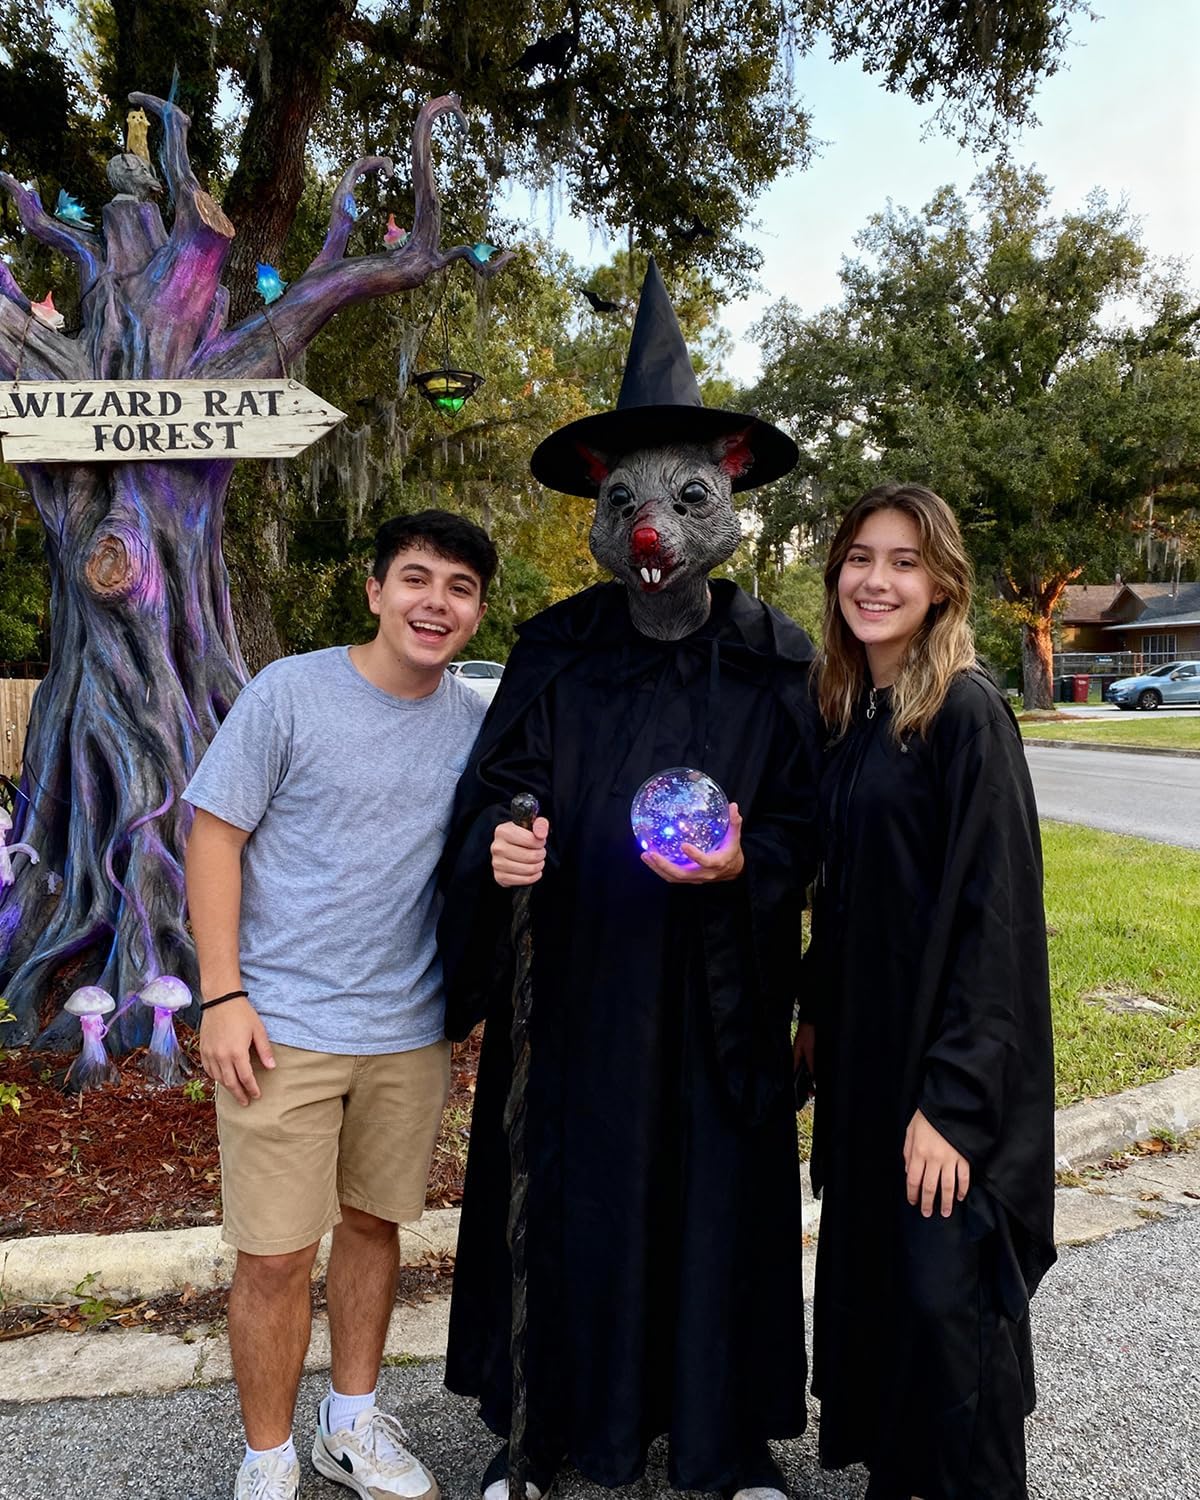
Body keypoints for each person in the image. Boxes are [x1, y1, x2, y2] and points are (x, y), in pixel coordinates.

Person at [438, 261, 820, 1500]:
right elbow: (498, 788)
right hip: (581, 991)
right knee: (573, 1194)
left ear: (730, 491)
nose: (653, 530)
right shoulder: (555, 648)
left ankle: (727, 1440)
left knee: (719, 1207)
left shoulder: (776, 660)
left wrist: (748, 862)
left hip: (719, 997)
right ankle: (543, 1432)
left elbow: (813, 827)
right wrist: (505, 838)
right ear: (600, 508)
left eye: (686, 499)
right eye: (629, 504)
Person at [183, 509, 497, 1500]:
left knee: (372, 1229)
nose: (435, 603)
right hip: (282, 1029)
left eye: (458, 588)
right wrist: (223, 994)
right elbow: (213, 835)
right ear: (375, 591)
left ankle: (350, 1426)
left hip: (408, 1029)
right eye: (416, 579)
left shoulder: (476, 723)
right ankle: (268, 1457)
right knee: (275, 1256)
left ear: (478, 612)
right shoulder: (291, 694)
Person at [797, 482, 1056, 1500]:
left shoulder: (967, 714)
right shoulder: (855, 712)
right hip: (869, 1057)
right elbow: (848, 895)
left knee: (948, 1301)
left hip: (945, 1065)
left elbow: (998, 922)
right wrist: (815, 1016)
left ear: (942, 584)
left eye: (904, 562)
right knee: (885, 1290)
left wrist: (952, 1102)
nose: (878, 580)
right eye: (861, 558)